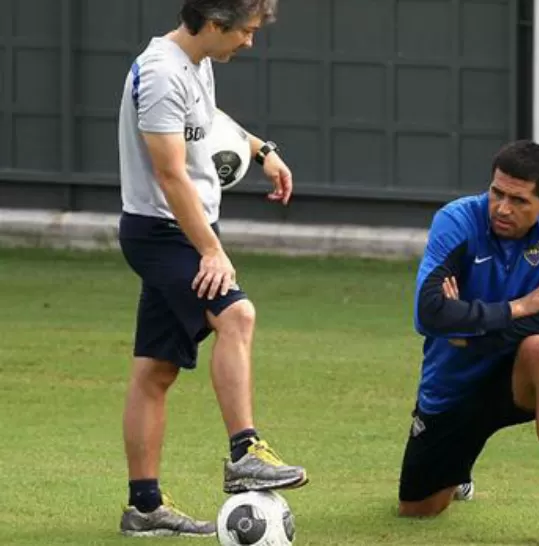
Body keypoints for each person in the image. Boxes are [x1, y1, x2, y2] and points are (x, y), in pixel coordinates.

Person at [115, 0, 307, 537]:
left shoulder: (195, 63)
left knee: (156, 369)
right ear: (215, 24)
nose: (249, 43)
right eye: (244, 32)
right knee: (237, 315)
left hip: (186, 233)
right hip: (162, 234)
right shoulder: (159, 75)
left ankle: (144, 507)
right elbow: (170, 175)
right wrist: (211, 251)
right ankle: (245, 452)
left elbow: (206, 120)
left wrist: (261, 148)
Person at [397, 140, 539, 546]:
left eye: (519, 200)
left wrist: (466, 334)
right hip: (452, 389)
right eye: (496, 193)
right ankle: (458, 475)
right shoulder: (457, 220)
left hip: (516, 377)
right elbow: (429, 314)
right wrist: (520, 307)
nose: (502, 208)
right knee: (417, 509)